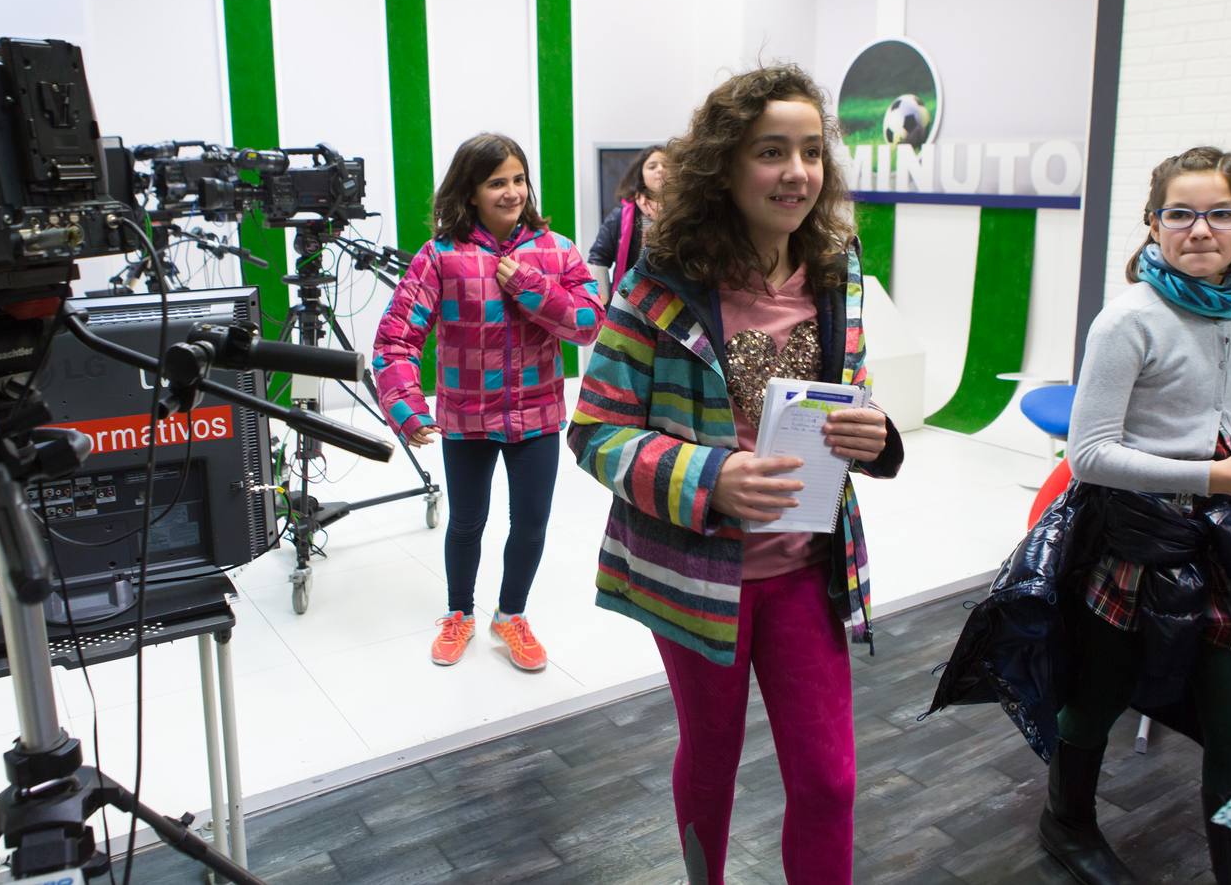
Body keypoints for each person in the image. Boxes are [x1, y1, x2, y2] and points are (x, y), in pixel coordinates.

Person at [568, 65, 903, 884]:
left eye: (810, 152)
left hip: (806, 568)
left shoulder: (836, 271)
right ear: (724, 165)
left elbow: (845, 399)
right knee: (711, 759)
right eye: (770, 152)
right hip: (696, 577)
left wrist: (876, 434)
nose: (796, 172)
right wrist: (707, 476)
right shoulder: (656, 285)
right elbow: (595, 432)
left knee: (829, 779)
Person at [1041, 146, 1231, 884]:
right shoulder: (1126, 323)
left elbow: (1226, 421)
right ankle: (1065, 824)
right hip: (1133, 540)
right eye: (1178, 213)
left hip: (1226, 545)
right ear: (1153, 225)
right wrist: (1217, 472)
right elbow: (1088, 456)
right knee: (1096, 702)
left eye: (1219, 213)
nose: (1198, 229)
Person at [373, 132, 603, 671]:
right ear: (470, 191)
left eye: (518, 179)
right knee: (467, 522)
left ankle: (511, 617)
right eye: (496, 182)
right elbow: (395, 340)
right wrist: (406, 406)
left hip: (539, 415)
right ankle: (459, 613)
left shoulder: (557, 250)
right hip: (466, 417)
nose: (511, 191)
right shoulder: (440, 255)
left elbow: (589, 325)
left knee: (530, 523)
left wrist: (527, 284)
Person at [586, 144, 668, 303]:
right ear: (641, 175)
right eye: (652, 166)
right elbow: (598, 258)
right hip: (630, 302)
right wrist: (602, 303)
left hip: (676, 302)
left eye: (667, 165)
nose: (660, 169)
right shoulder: (621, 215)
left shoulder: (685, 213)